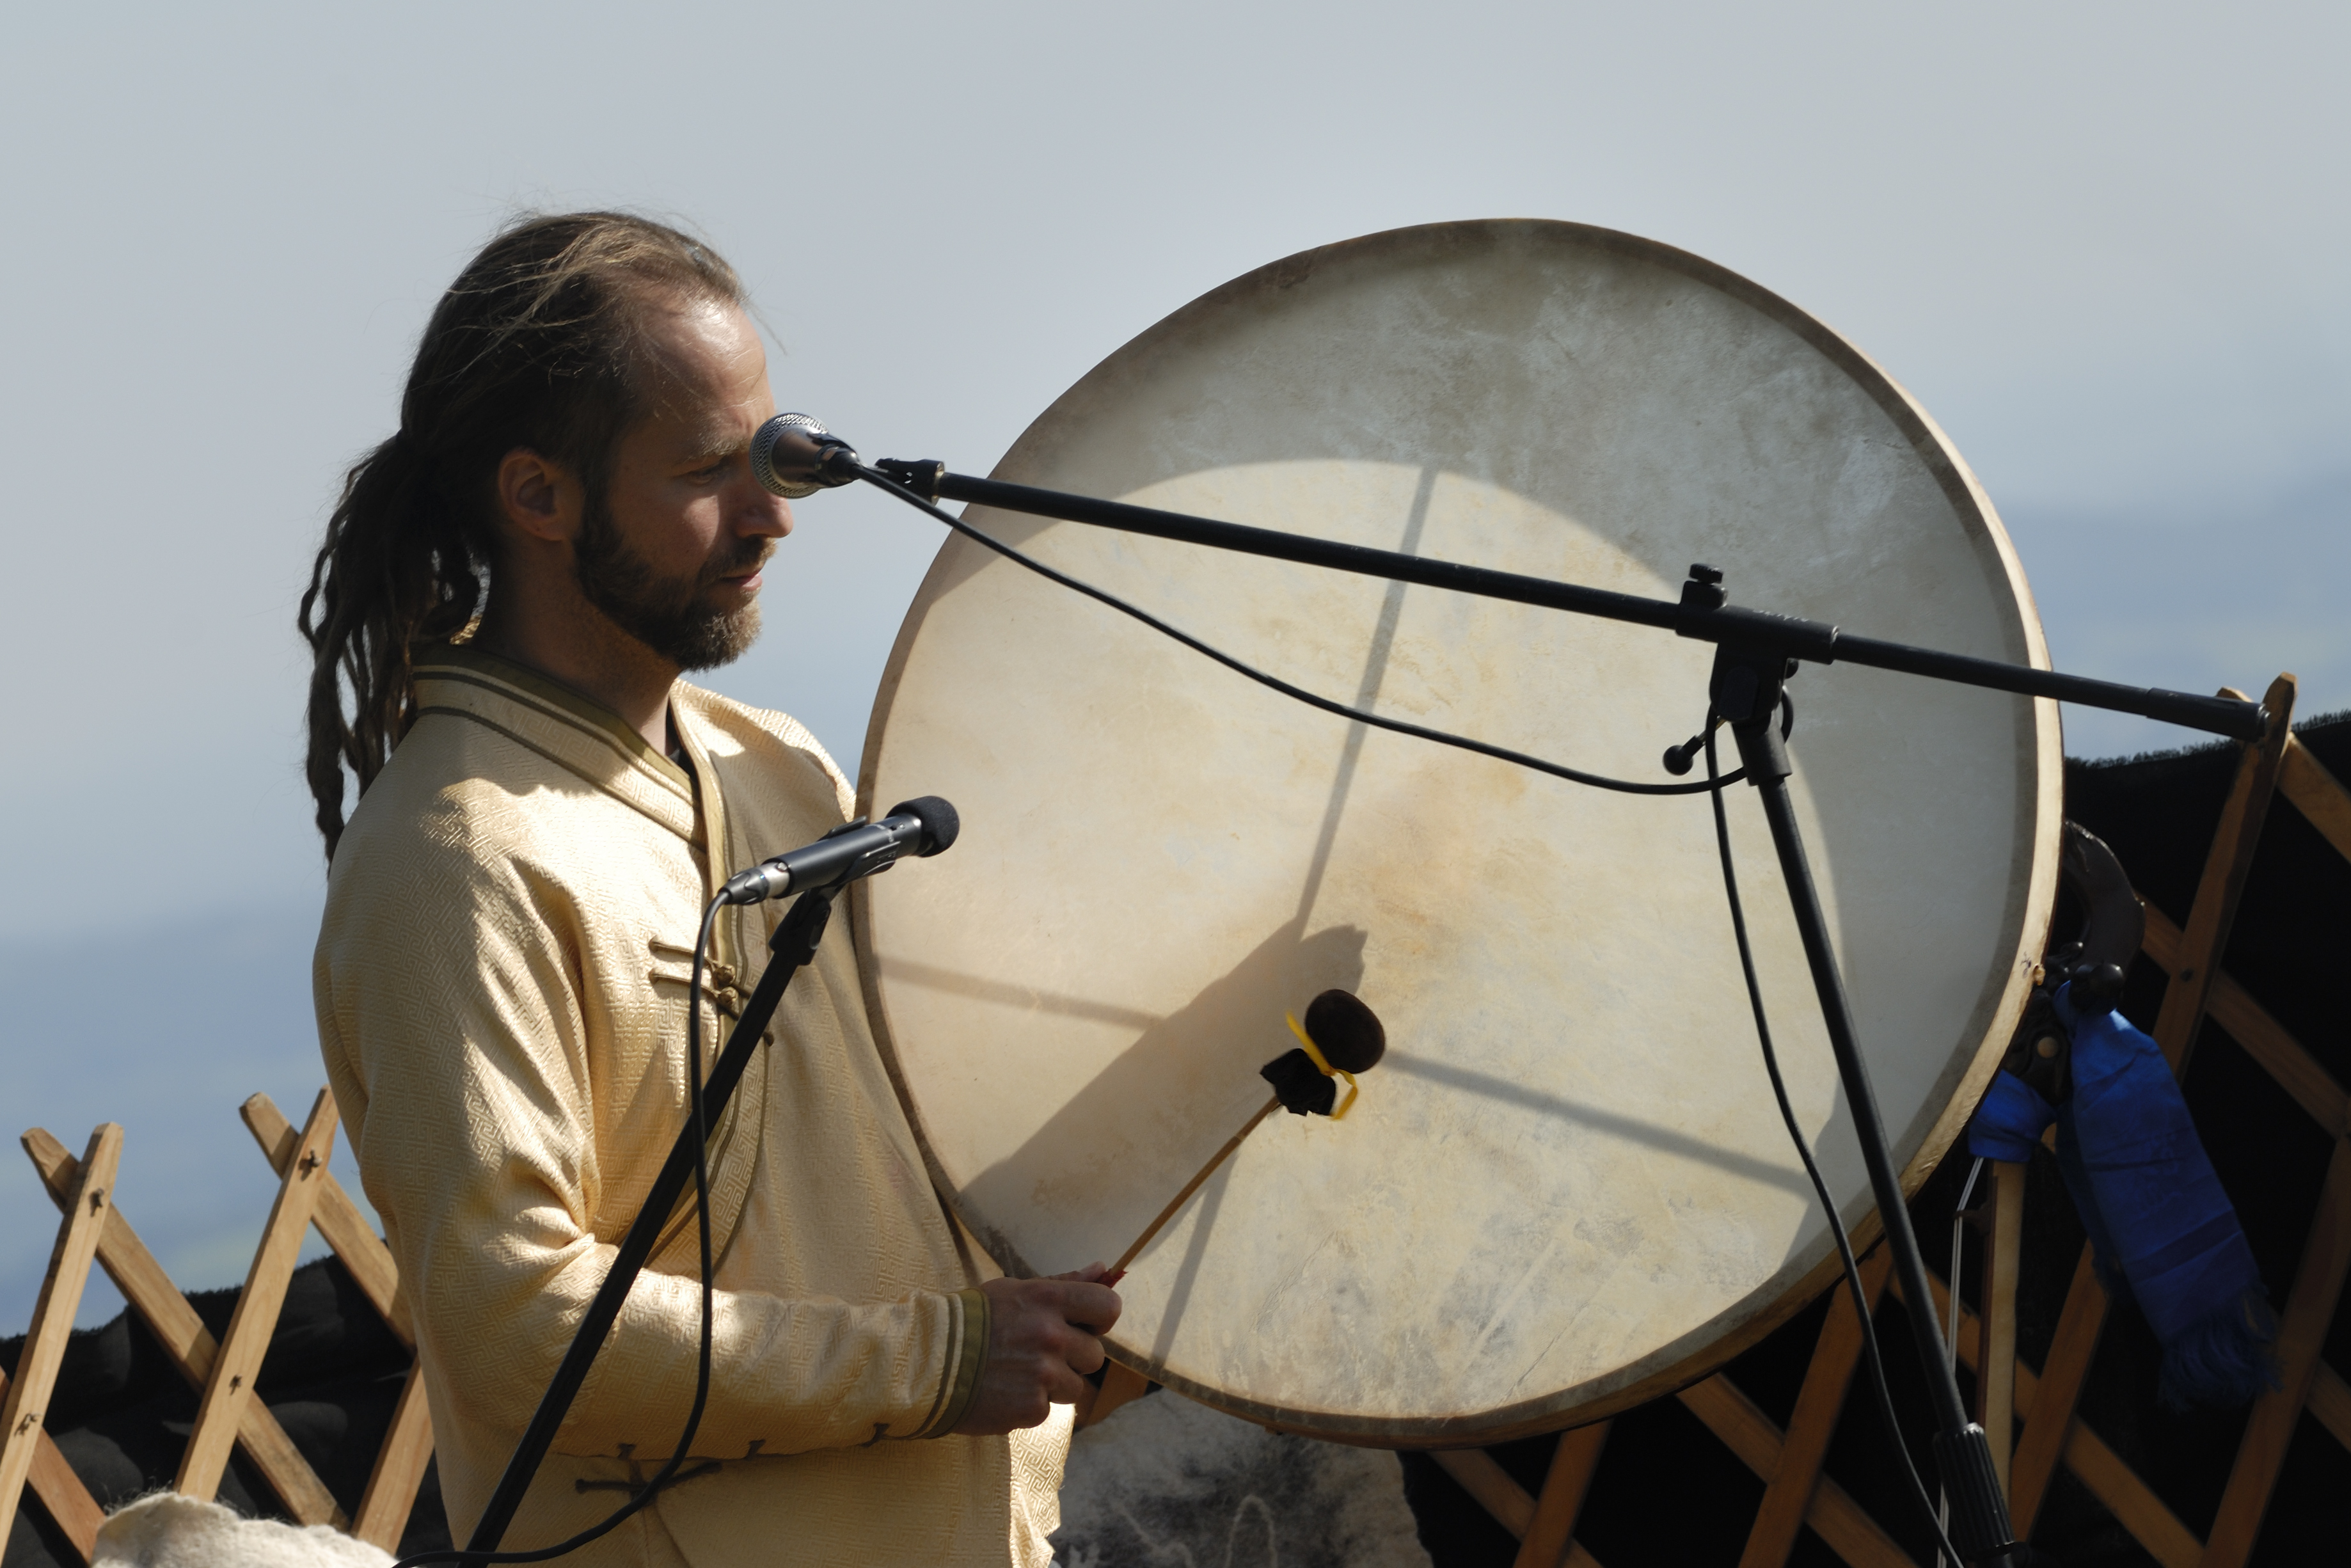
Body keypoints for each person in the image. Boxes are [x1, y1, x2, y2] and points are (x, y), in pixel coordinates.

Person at [301, 212, 1120, 1567]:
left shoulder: (772, 763)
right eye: (706, 471)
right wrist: (931, 1363)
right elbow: (515, 1322)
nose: (772, 514)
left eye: (768, 453)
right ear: (539, 496)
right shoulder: (454, 858)